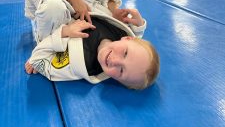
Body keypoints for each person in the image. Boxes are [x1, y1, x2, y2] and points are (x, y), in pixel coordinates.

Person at [25, 7, 160, 90]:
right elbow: (135, 41)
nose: (115, 61)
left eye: (121, 71)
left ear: (116, 80)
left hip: (54, 17)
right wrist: (138, 26)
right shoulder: (120, 33)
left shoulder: (81, 65)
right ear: (127, 38)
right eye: (125, 53)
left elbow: (38, 59)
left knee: (52, 6)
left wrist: (65, 31)